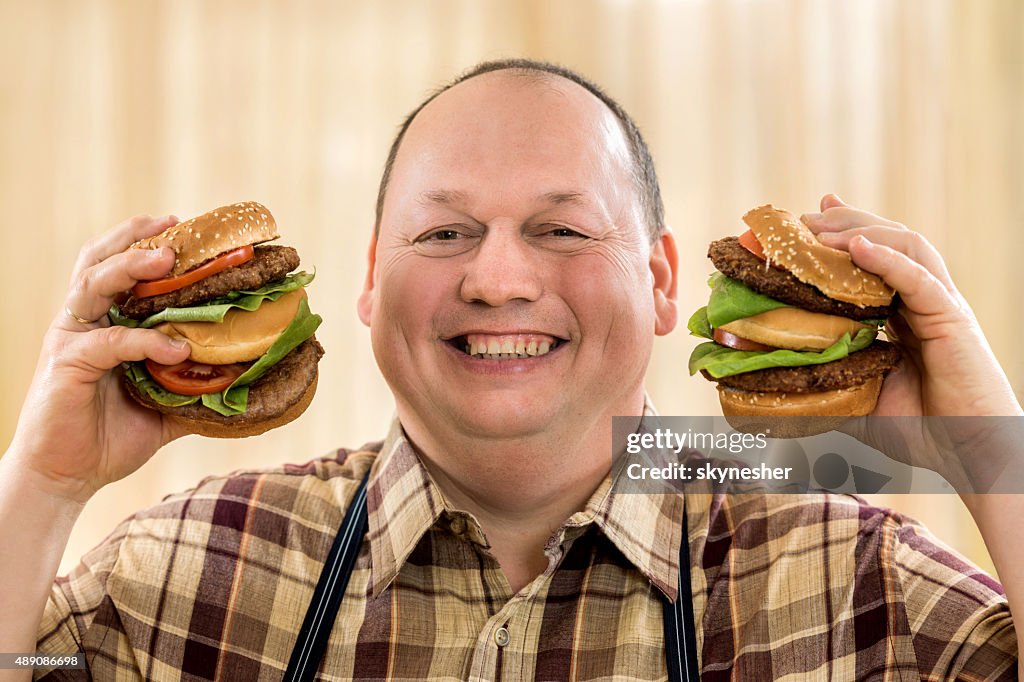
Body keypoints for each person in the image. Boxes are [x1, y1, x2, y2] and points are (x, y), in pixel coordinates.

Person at [0, 58, 1020, 680]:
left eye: (561, 228)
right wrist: (39, 491)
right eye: (445, 230)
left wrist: (985, 449)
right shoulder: (189, 568)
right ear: (368, 281)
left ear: (663, 284)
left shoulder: (855, 582)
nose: (496, 279)